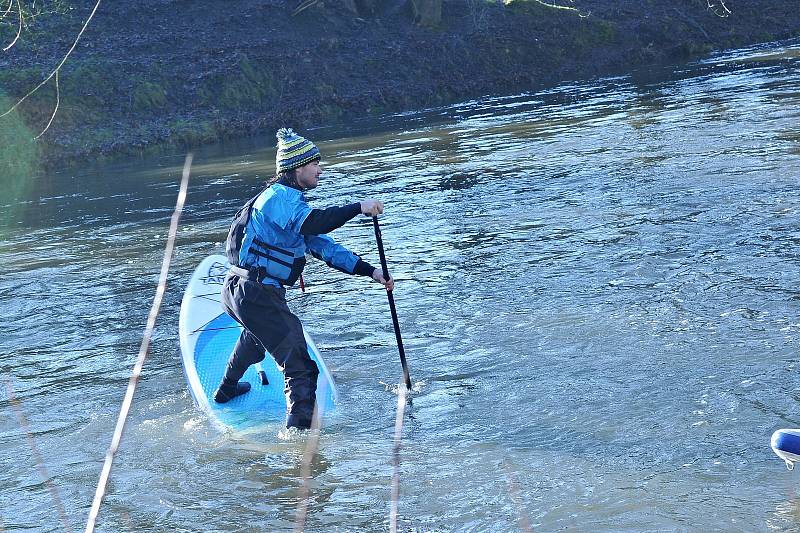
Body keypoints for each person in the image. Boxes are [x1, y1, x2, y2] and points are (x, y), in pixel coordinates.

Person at [214, 128, 393, 430]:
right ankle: (298, 441)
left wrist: (371, 271)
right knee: (299, 362)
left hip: (244, 293)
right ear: (298, 168)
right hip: (255, 292)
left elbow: (326, 248)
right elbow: (315, 221)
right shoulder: (278, 197)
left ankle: (227, 389)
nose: (320, 171)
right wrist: (357, 207)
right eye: (315, 165)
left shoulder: (290, 205)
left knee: (257, 339)